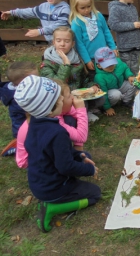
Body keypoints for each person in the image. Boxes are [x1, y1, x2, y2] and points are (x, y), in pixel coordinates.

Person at [14, 75, 100, 233]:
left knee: (85, 155)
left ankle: (52, 199)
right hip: (54, 188)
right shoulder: (57, 133)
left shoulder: (34, 122)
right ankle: (53, 207)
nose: (63, 99)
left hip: (39, 182)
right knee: (95, 193)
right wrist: (90, 170)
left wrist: (79, 156)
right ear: (49, 108)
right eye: (59, 99)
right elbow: (65, 167)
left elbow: (53, 152)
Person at [16, 79, 89, 168]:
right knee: (78, 160)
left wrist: (78, 147)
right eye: (69, 96)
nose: (73, 97)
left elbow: (77, 119)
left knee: (70, 119)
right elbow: (82, 136)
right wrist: (81, 109)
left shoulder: (52, 111)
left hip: (42, 148)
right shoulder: (54, 119)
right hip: (29, 160)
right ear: (58, 102)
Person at [40, 26, 103, 122]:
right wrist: (66, 65)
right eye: (58, 40)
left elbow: (84, 79)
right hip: (60, 100)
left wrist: (92, 86)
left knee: (101, 99)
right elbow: (55, 85)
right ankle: (80, 115)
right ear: (53, 42)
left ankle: (84, 111)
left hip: (77, 95)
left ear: (73, 43)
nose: (62, 44)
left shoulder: (76, 58)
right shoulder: (47, 63)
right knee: (81, 104)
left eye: (67, 41)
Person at [69, 0, 117, 81]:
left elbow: (106, 31)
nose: (86, 10)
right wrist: (87, 60)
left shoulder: (98, 15)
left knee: (108, 74)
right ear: (75, 7)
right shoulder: (77, 23)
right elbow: (79, 44)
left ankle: (111, 90)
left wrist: (113, 47)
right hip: (91, 58)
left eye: (89, 6)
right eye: (82, 8)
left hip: (105, 54)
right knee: (95, 78)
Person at [0, 0, 70, 43]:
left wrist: (40, 31)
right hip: (51, 42)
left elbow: (59, 26)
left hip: (64, 42)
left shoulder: (64, 9)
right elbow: (28, 12)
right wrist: (12, 12)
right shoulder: (43, 7)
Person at [0, 62, 38, 157]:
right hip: (21, 121)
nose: (38, 80)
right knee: (23, 135)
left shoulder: (11, 88)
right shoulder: (19, 96)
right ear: (23, 82)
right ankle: (16, 148)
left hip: (23, 120)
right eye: (35, 79)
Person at [108, 0, 140, 76]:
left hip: (136, 45)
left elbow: (134, 23)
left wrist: (139, 25)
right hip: (125, 47)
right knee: (126, 69)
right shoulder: (115, 8)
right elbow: (114, 25)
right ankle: (127, 87)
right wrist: (133, 25)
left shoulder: (132, 8)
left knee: (135, 68)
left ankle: (135, 87)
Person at [94, 47, 135, 116]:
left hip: (121, 85)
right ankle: (107, 107)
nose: (111, 67)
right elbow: (103, 93)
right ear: (99, 65)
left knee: (134, 83)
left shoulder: (118, 62)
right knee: (116, 94)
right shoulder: (99, 77)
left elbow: (125, 68)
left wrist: (129, 76)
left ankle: (126, 101)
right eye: (107, 66)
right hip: (110, 91)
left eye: (112, 64)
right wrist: (107, 107)